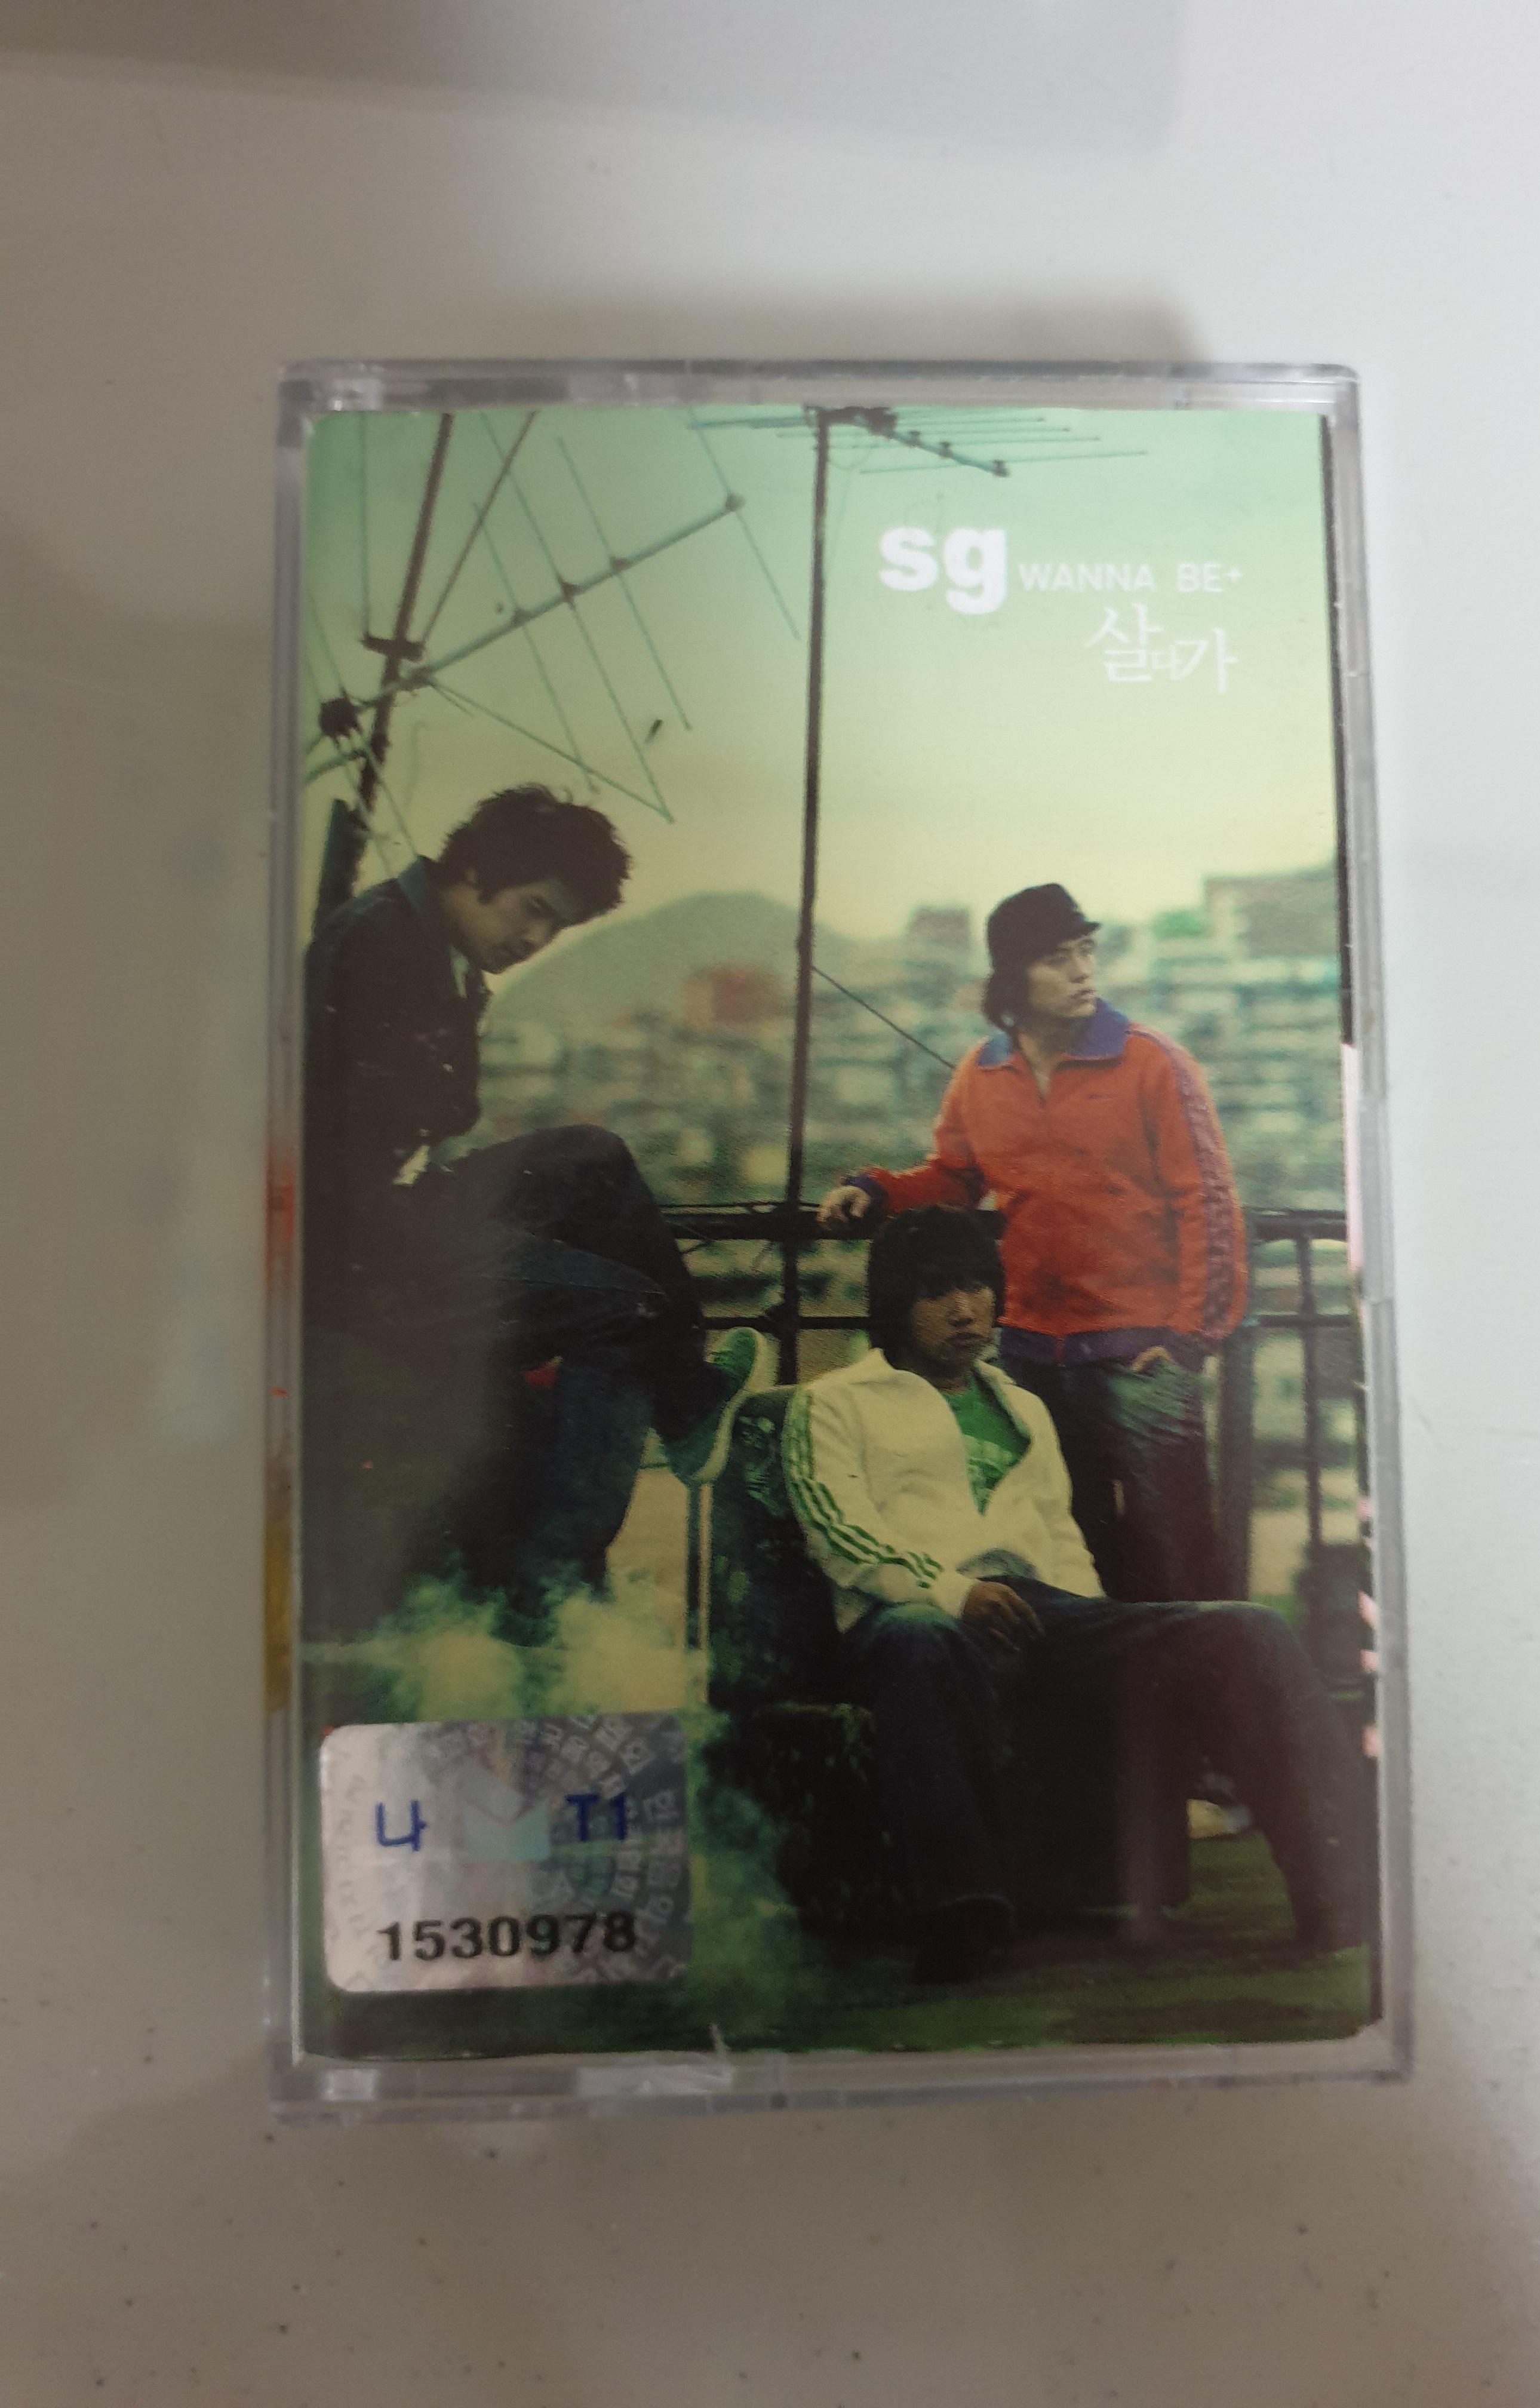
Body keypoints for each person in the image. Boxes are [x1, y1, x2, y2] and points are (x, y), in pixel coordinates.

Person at [782, 1207, 1361, 1983]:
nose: (964, 1310)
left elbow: (1062, 1539)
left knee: (1247, 1631)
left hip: (1041, 1612)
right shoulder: (835, 1403)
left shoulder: (1022, 1407)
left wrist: (1094, 1628)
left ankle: (1336, 1887)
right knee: (921, 1636)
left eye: (977, 1287)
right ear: (895, 1303)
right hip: (908, 1616)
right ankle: (964, 1913)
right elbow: (840, 1534)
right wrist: (956, 1593)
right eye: (937, 1292)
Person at [304, 783, 770, 1638]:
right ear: (480, 870)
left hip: (394, 1208)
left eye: (556, 927)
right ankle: (553, 1587)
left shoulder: (427, 943)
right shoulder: (381, 945)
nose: (534, 941)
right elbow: (369, 1133)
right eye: (534, 911)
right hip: (358, 1241)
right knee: (626, 1309)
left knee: (593, 1160)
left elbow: (438, 1111)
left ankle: (689, 1404)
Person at [818, 882, 1246, 1604]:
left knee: (1173, 1561)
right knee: (1059, 1554)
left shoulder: (1152, 1062)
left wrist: (1188, 1340)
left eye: (1086, 951)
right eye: (1057, 958)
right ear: (1013, 979)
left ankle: (1188, 1681)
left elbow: (1206, 1201)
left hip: (1141, 1356)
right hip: (1030, 1358)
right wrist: (879, 1192)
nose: (1082, 971)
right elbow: (955, 1177)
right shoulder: (982, 1072)